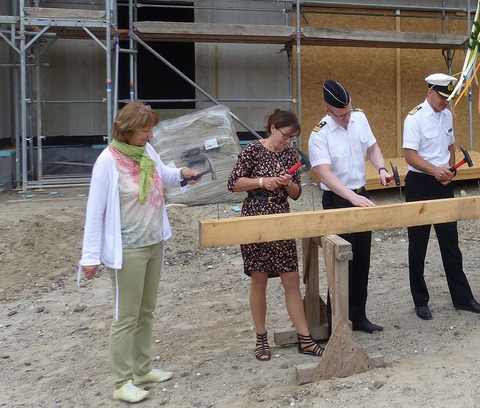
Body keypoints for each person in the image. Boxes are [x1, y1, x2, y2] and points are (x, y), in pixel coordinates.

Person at [79, 102, 201, 403]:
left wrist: (183, 174)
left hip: (153, 241)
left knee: (146, 311)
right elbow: (95, 211)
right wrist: (90, 257)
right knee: (125, 316)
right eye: (145, 130)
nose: (150, 135)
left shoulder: (147, 151)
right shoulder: (108, 161)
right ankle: (122, 381)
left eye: (151, 129)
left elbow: (164, 176)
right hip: (128, 248)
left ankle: (143, 369)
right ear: (127, 130)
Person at [227, 109, 323, 360]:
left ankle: (305, 339)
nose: (288, 141)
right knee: (259, 279)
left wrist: (287, 182)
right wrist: (262, 182)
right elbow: (234, 183)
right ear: (272, 128)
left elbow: (296, 193)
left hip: (281, 216)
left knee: (290, 278)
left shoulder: (290, 154)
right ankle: (261, 339)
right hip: (256, 215)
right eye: (286, 135)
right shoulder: (252, 151)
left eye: (292, 137)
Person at [403, 72, 480, 320]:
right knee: (418, 245)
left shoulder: (447, 115)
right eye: (442, 97)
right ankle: (420, 301)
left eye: (448, 98)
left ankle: (462, 298)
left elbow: (450, 145)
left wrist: (450, 170)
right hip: (420, 184)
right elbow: (410, 155)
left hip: (443, 184)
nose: (445, 102)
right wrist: (434, 170)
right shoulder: (415, 118)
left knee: (451, 243)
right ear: (430, 91)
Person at [308, 80, 388, 334]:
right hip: (337, 199)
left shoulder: (359, 118)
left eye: (349, 113)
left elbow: (372, 147)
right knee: (340, 262)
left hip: (360, 194)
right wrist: (351, 198)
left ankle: (359, 315)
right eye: (341, 116)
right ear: (326, 111)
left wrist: (382, 167)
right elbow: (324, 174)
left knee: (362, 258)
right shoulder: (319, 135)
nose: (346, 119)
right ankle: (337, 322)